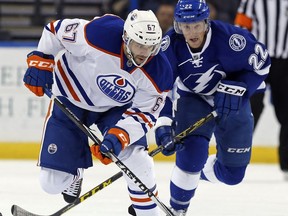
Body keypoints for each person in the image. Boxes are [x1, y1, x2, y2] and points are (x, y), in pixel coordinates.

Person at [23, 9, 173, 216]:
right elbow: (54, 31)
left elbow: (144, 113)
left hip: (114, 109)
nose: (143, 52)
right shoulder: (99, 33)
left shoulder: (160, 71)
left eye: (150, 46)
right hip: (70, 97)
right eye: (139, 44)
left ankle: (147, 213)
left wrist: (120, 135)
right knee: (50, 184)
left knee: (136, 157)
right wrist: (41, 59)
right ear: (126, 37)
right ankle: (74, 172)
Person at [154, 0, 271, 215]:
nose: (192, 32)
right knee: (190, 157)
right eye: (186, 26)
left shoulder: (232, 40)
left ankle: (200, 170)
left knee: (232, 175)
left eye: (197, 25)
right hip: (193, 97)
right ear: (178, 25)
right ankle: (177, 209)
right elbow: (160, 88)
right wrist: (162, 124)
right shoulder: (170, 45)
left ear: (207, 23)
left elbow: (262, 64)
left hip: (232, 101)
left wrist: (242, 87)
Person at [235, 0, 288, 180]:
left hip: (286, 63)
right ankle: (234, 156)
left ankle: (287, 165)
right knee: (251, 107)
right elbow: (241, 26)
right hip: (257, 59)